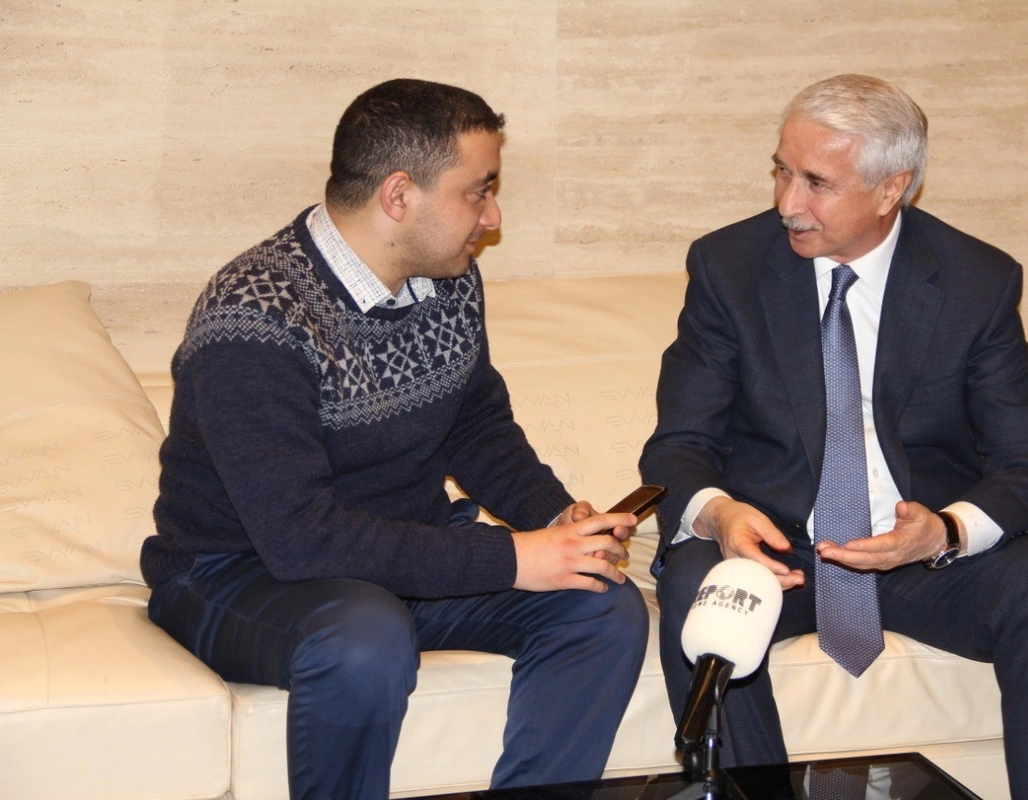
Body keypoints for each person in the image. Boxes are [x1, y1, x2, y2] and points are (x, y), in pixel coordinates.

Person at [141, 78, 648, 800]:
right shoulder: (253, 317)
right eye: (479, 191)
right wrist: (514, 557)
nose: (493, 215)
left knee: (600, 604)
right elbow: (300, 539)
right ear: (400, 195)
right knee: (363, 638)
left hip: (399, 559)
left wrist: (557, 521)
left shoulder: (449, 279)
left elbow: (477, 427)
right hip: (238, 574)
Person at [640, 74, 1028, 799]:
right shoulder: (728, 268)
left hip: (919, 556)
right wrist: (722, 514)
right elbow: (677, 444)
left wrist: (945, 531)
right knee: (697, 581)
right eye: (781, 170)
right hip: (779, 549)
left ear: (892, 189)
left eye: (816, 183)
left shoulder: (977, 282)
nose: (787, 202)